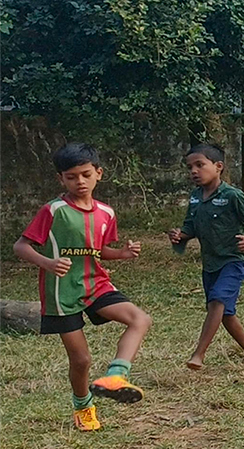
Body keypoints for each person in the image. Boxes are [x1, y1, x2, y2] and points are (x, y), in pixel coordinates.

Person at [14, 143, 152, 431]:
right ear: (60, 179)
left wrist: (123, 254)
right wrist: (47, 263)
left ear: (98, 173)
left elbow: (98, 250)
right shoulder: (53, 210)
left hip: (96, 283)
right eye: (72, 177)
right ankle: (83, 406)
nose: (80, 182)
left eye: (86, 174)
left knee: (140, 319)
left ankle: (115, 376)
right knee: (81, 359)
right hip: (61, 292)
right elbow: (21, 246)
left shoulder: (106, 213)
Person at [167, 144, 244, 371]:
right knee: (226, 313)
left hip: (233, 260)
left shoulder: (233, 196)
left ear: (218, 166)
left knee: (217, 301)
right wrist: (180, 235)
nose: (194, 171)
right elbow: (190, 226)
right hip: (210, 264)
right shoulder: (195, 197)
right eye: (190, 167)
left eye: (200, 165)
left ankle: (198, 354)